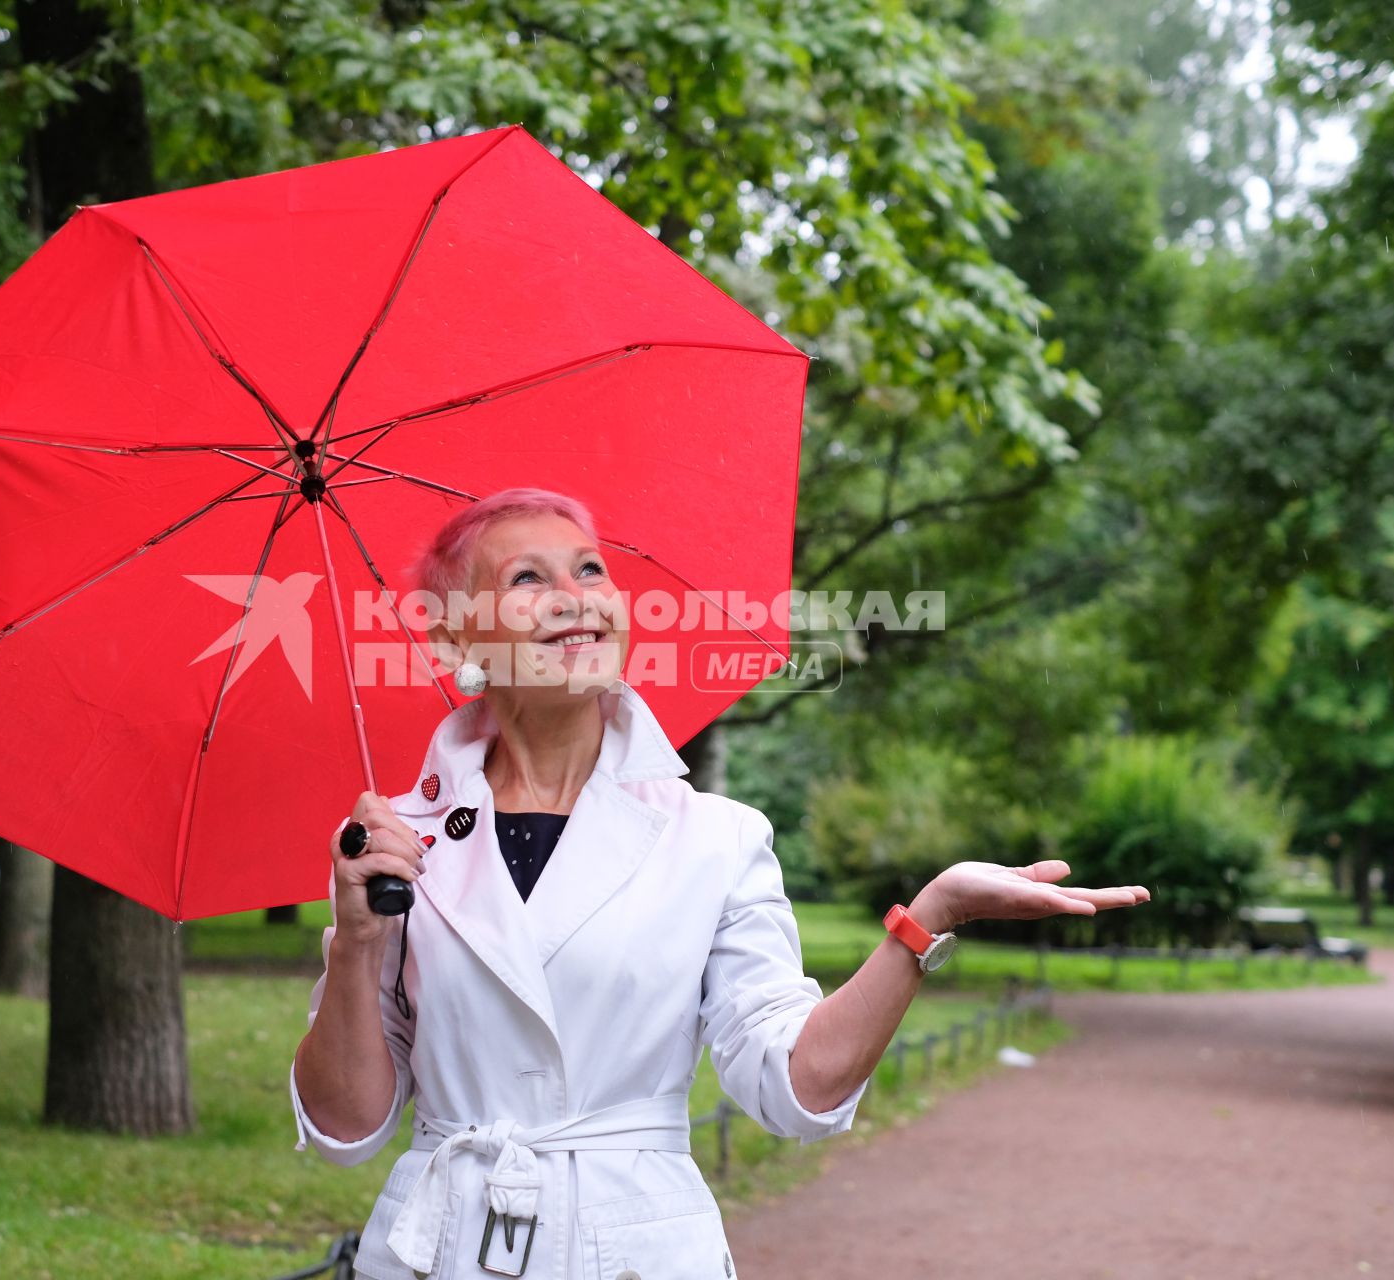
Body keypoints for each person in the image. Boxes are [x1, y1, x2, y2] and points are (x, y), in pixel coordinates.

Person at [288, 488, 1150, 1279]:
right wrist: (359, 944)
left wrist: (930, 916)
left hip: (631, 1250)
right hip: (436, 1248)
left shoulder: (716, 838)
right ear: (458, 636)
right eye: (527, 577)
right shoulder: (393, 850)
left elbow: (796, 1090)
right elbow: (346, 1128)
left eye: (590, 568)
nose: (574, 594)